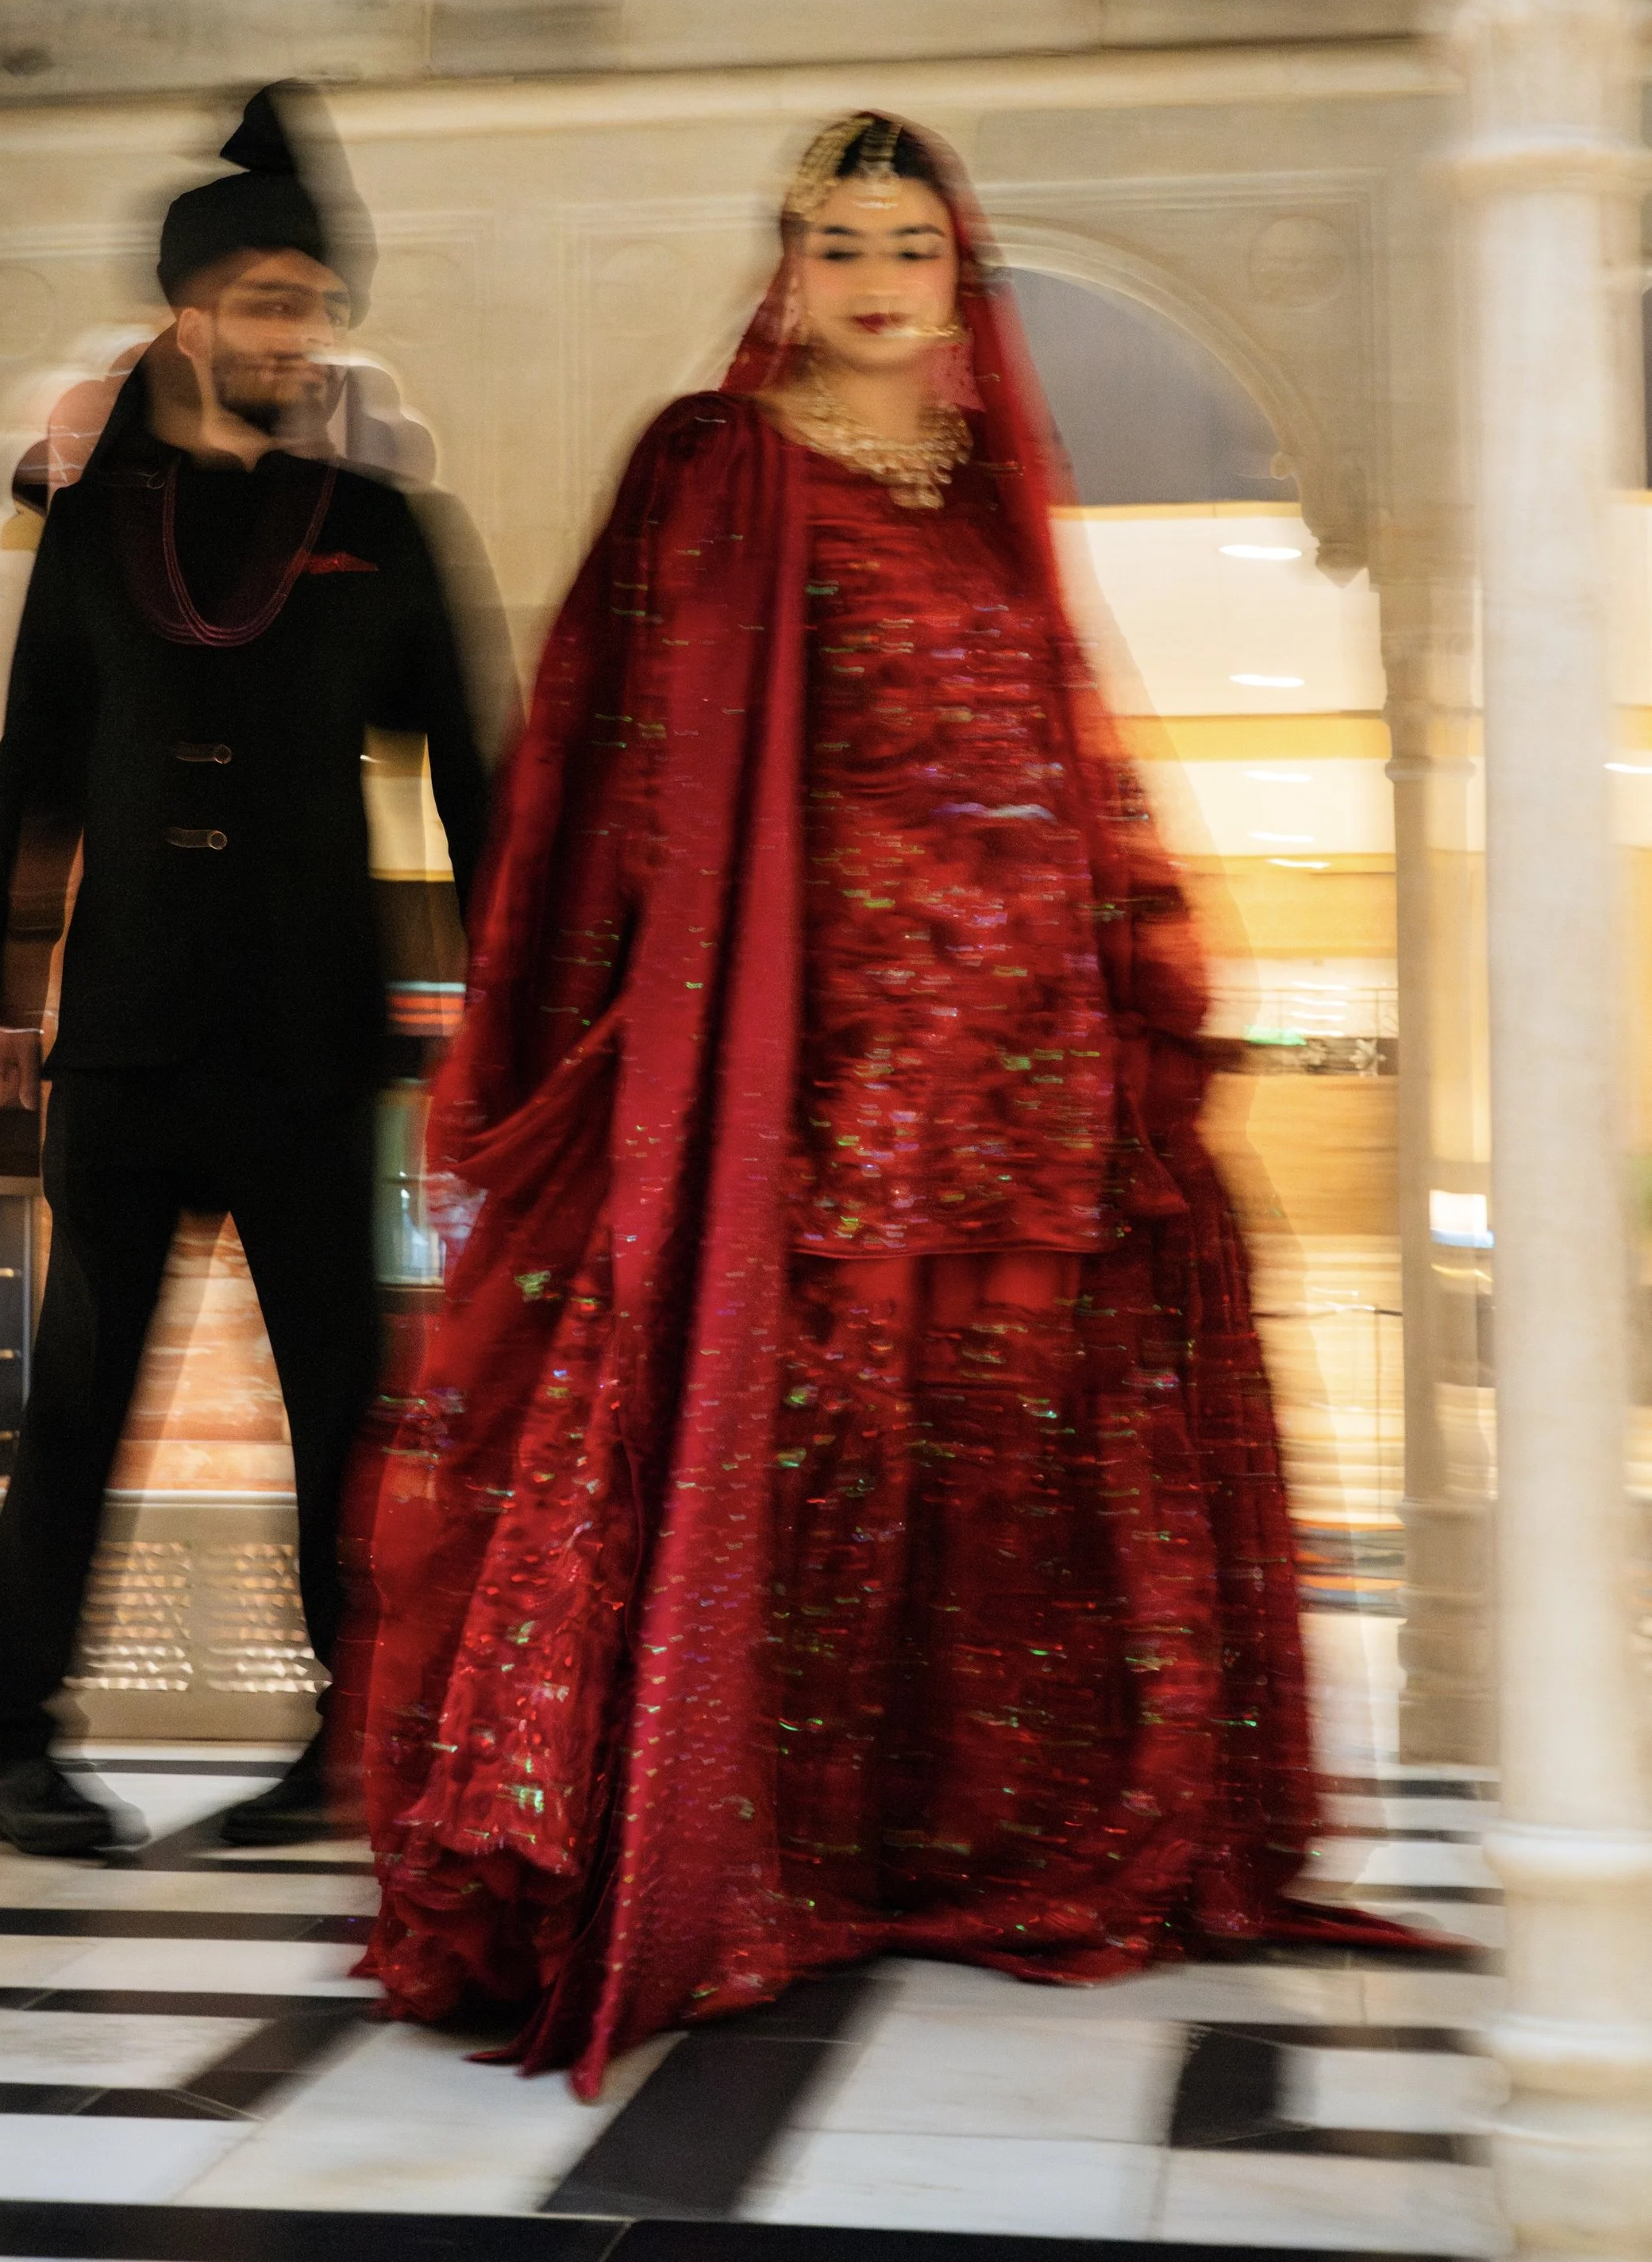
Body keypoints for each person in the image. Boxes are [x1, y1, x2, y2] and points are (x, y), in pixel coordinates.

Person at [358, 114, 1418, 2092]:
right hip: (809, 1050)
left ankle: (964, 1827)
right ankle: (756, 1839)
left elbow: (1056, 758)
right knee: (807, 1414)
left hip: (1013, 1051)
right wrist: (665, 1032)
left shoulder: (987, 488)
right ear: (788, 263)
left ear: (955, 275)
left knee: (997, 1426)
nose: (872, 273)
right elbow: (635, 754)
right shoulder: (721, 461)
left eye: (909, 245)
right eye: (836, 238)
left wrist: (1112, 987)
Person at [0, 84, 491, 1856]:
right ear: (185, 311)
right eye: (262, 302)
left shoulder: (379, 527)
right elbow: (31, 774)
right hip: (117, 1040)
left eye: (312, 307)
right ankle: (19, 1741)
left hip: (308, 1037)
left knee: (342, 1403)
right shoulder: (96, 524)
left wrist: (499, 997)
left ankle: (348, 1742)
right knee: (79, 1400)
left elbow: (471, 776)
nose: (291, 334)